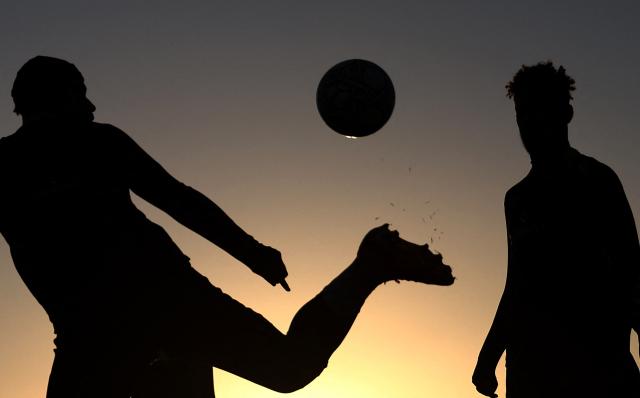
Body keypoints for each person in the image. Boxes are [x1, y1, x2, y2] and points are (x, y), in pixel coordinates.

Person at [0, 56, 455, 398]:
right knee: (289, 367)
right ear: (57, 97)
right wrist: (251, 252)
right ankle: (371, 266)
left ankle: (371, 265)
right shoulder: (68, 148)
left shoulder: (96, 143)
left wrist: (252, 251)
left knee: (288, 367)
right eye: (81, 93)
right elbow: (180, 201)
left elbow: (180, 201)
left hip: (163, 309)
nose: (91, 104)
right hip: (100, 335)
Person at [472, 61, 640, 398]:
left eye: (539, 110)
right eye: (523, 114)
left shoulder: (597, 180)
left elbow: (633, 276)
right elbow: (517, 284)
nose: (530, 123)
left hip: (598, 370)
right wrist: (488, 355)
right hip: (532, 373)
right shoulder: (517, 199)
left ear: (565, 113)